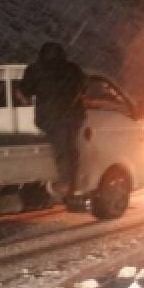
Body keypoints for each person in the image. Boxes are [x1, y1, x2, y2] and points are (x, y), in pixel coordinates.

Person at [20, 41, 87, 198]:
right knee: (70, 149)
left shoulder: (35, 70)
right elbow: (84, 89)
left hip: (51, 117)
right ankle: (73, 184)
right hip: (73, 116)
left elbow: (23, 94)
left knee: (61, 148)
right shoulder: (73, 68)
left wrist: (28, 100)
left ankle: (66, 183)